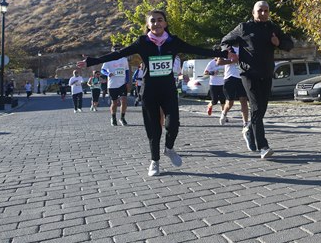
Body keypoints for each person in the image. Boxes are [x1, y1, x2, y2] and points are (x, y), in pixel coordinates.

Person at [77, 10, 231, 177]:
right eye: (153, 21)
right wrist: (92, 61)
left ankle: (169, 148)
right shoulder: (142, 42)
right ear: (148, 25)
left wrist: (222, 53)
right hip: (149, 90)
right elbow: (118, 54)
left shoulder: (173, 41)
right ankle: (154, 161)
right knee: (153, 128)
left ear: (165, 23)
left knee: (173, 124)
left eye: (160, 20)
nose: (156, 23)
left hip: (168, 89)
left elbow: (197, 49)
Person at [221, 1, 293, 159]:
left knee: (261, 109)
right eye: (260, 10)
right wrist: (230, 52)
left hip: (266, 74)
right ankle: (263, 146)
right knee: (255, 107)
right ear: (253, 13)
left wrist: (279, 43)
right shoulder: (244, 28)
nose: (263, 13)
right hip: (249, 74)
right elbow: (225, 41)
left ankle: (249, 130)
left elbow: (289, 44)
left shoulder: (273, 28)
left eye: (266, 10)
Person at [218, 46, 249, 127]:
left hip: (242, 77)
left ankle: (245, 123)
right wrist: (232, 61)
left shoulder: (245, 48)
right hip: (230, 77)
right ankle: (224, 113)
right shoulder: (227, 48)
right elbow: (219, 62)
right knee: (230, 103)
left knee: (244, 101)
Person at [101, 45, 131, 127]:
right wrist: (108, 73)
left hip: (122, 84)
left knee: (124, 101)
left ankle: (122, 118)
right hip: (112, 85)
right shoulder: (108, 59)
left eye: (118, 50)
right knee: (114, 103)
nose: (117, 52)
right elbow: (102, 70)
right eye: (115, 50)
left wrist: (127, 81)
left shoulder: (124, 59)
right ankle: (113, 117)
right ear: (112, 51)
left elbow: (127, 71)